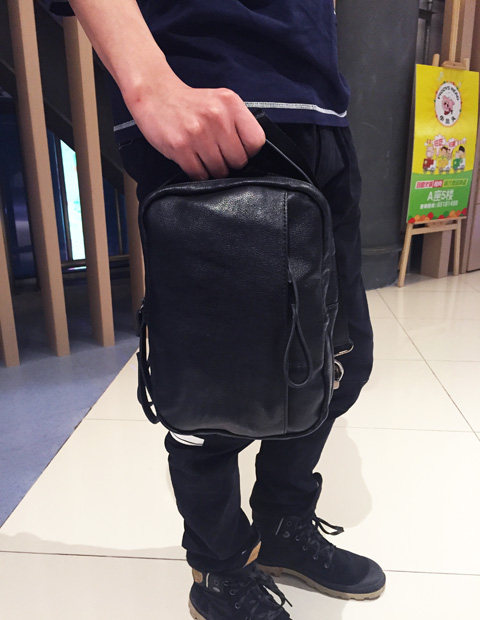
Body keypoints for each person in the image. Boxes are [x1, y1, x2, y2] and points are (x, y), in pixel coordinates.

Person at [50, 2, 385, 618]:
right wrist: (149, 84)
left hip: (319, 113)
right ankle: (220, 570)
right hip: (210, 105)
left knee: (337, 361)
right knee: (213, 395)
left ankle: (282, 523)